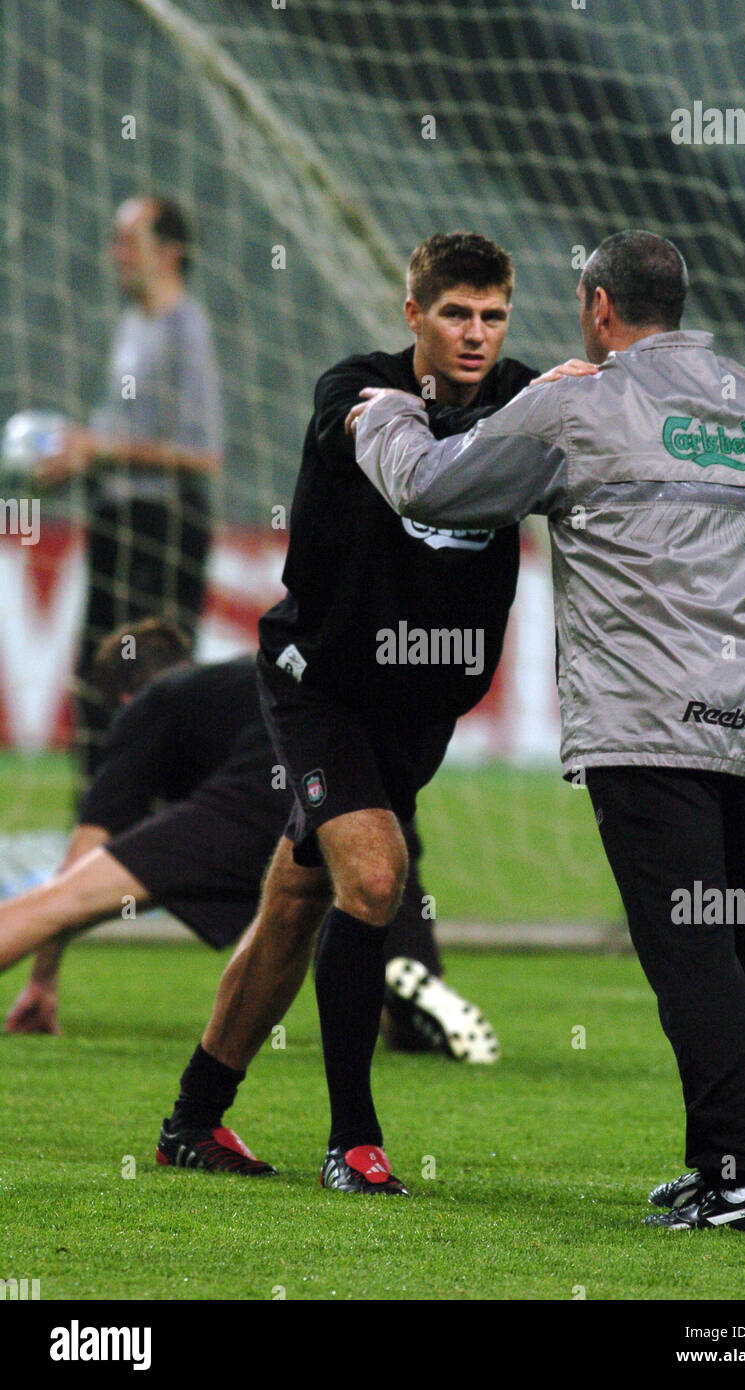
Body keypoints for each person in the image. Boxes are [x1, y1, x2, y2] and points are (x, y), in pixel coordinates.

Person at [353, 229, 745, 1231]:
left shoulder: (582, 401)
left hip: (647, 723)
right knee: (735, 938)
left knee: (689, 949)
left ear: (600, 308)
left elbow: (434, 486)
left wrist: (385, 418)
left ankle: (738, 1175)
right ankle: (739, 1151)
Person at [157, 232, 590, 1195]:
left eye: (491, 315)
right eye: (453, 314)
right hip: (322, 686)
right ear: (413, 315)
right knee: (374, 880)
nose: (475, 334)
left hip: (417, 708)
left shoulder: (528, 394)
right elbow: (382, 444)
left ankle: (192, 1120)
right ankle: (351, 1143)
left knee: (295, 902)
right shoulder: (356, 389)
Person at [1, 619, 494, 1080]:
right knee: (376, 936)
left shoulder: (153, 701)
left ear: (126, 696)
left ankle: (213, 1089)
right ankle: (406, 987)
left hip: (244, 807)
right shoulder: (244, 674)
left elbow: (87, 846)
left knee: (56, 901)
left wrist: (43, 980)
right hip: (347, 796)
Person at [37, 196, 223, 782]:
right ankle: (97, 835)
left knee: (151, 690)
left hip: (163, 526)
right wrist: (80, 454)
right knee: (96, 687)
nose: (115, 254)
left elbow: (206, 453)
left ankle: (163, 839)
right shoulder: (131, 326)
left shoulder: (185, 329)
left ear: (168, 254)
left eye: (128, 241)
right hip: (115, 521)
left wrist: (99, 449)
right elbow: (119, 437)